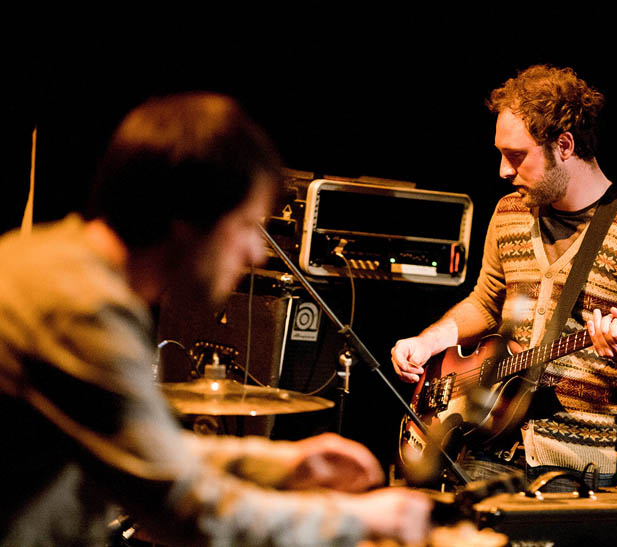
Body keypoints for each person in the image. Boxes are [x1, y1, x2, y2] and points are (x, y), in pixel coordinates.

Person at [0, 92, 431, 546]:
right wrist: (362, 519)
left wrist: (283, 464)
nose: (256, 252)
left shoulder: (46, 259)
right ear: (189, 219)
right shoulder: (80, 308)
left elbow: (142, 447)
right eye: (246, 225)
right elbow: (184, 508)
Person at [392, 65, 617, 489]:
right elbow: (486, 301)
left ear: (564, 145)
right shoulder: (509, 212)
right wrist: (428, 341)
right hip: (482, 448)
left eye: (516, 156)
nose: (503, 171)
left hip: (577, 469)